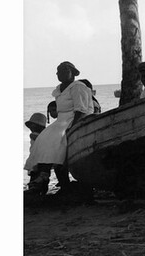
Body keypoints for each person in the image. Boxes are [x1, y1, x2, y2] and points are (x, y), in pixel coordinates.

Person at [24, 61, 94, 196]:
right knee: (43, 139)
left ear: (72, 73)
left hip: (73, 118)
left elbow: (81, 109)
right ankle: (42, 176)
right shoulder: (59, 90)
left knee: (56, 138)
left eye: (64, 71)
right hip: (61, 120)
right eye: (58, 71)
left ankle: (48, 178)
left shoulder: (77, 87)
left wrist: (73, 127)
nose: (59, 74)